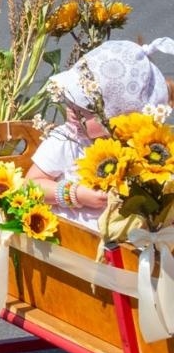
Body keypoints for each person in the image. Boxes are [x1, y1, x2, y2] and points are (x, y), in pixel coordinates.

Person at [26, 39, 174, 226]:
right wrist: (75, 194)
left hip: (129, 239)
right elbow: (30, 185)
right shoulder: (66, 140)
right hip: (76, 239)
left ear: (120, 116)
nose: (72, 111)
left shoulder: (139, 148)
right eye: (70, 101)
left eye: (85, 109)